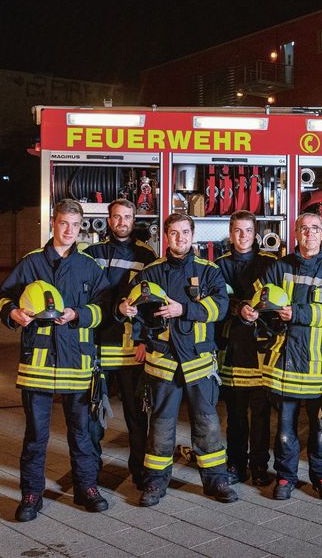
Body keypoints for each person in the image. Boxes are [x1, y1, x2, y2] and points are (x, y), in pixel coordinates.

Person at [0, 199, 110, 522]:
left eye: (75, 225)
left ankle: (87, 488)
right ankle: (31, 494)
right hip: (38, 365)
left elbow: (104, 309)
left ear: (81, 227)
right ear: (53, 223)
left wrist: (79, 314)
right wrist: (13, 313)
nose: (70, 231)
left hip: (77, 362)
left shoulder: (89, 267)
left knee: (82, 432)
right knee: (35, 435)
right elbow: (0, 298)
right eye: (63, 224)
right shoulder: (30, 263)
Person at [119, 213, 235, 506]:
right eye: (174, 233)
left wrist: (184, 310)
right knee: (160, 423)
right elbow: (135, 309)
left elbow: (220, 307)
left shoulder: (209, 270)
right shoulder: (151, 271)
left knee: (207, 423)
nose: (180, 238)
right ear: (165, 237)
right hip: (163, 360)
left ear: (192, 235)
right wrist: (135, 328)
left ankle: (216, 480)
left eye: (185, 232)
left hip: (198, 361)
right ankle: (155, 482)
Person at [258, 213, 322, 501]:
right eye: (304, 229)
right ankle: (285, 478)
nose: (310, 234)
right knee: (285, 429)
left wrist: (298, 313)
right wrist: (251, 313)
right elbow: (259, 304)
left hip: (321, 363)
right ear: (295, 233)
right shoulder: (279, 268)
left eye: (315, 228)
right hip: (285, 362)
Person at [85, 199, 156, 489]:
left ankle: (139, 472)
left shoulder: (146, 255)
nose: (121, 222)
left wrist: (146, 342)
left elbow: (153, 304)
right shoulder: (91, 254)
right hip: (98, 348)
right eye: (116, 217)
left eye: (127, 217)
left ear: (134, 218)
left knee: (137, 417)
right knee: (93, 416)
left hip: (131, 349)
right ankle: (90, 471)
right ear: (109, 219)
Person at [216, 210, 277, 486]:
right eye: (238, 231)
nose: (243, 236)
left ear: (256, 234)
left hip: (262, 347)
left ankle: (260, 466)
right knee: (236, 414)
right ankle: (236, 465)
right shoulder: (218, 266)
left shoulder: (270, 264)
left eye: (248, 231)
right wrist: (239, 308)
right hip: (233, 347)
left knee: (261, 415)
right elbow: (217, 300)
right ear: (231, 233)